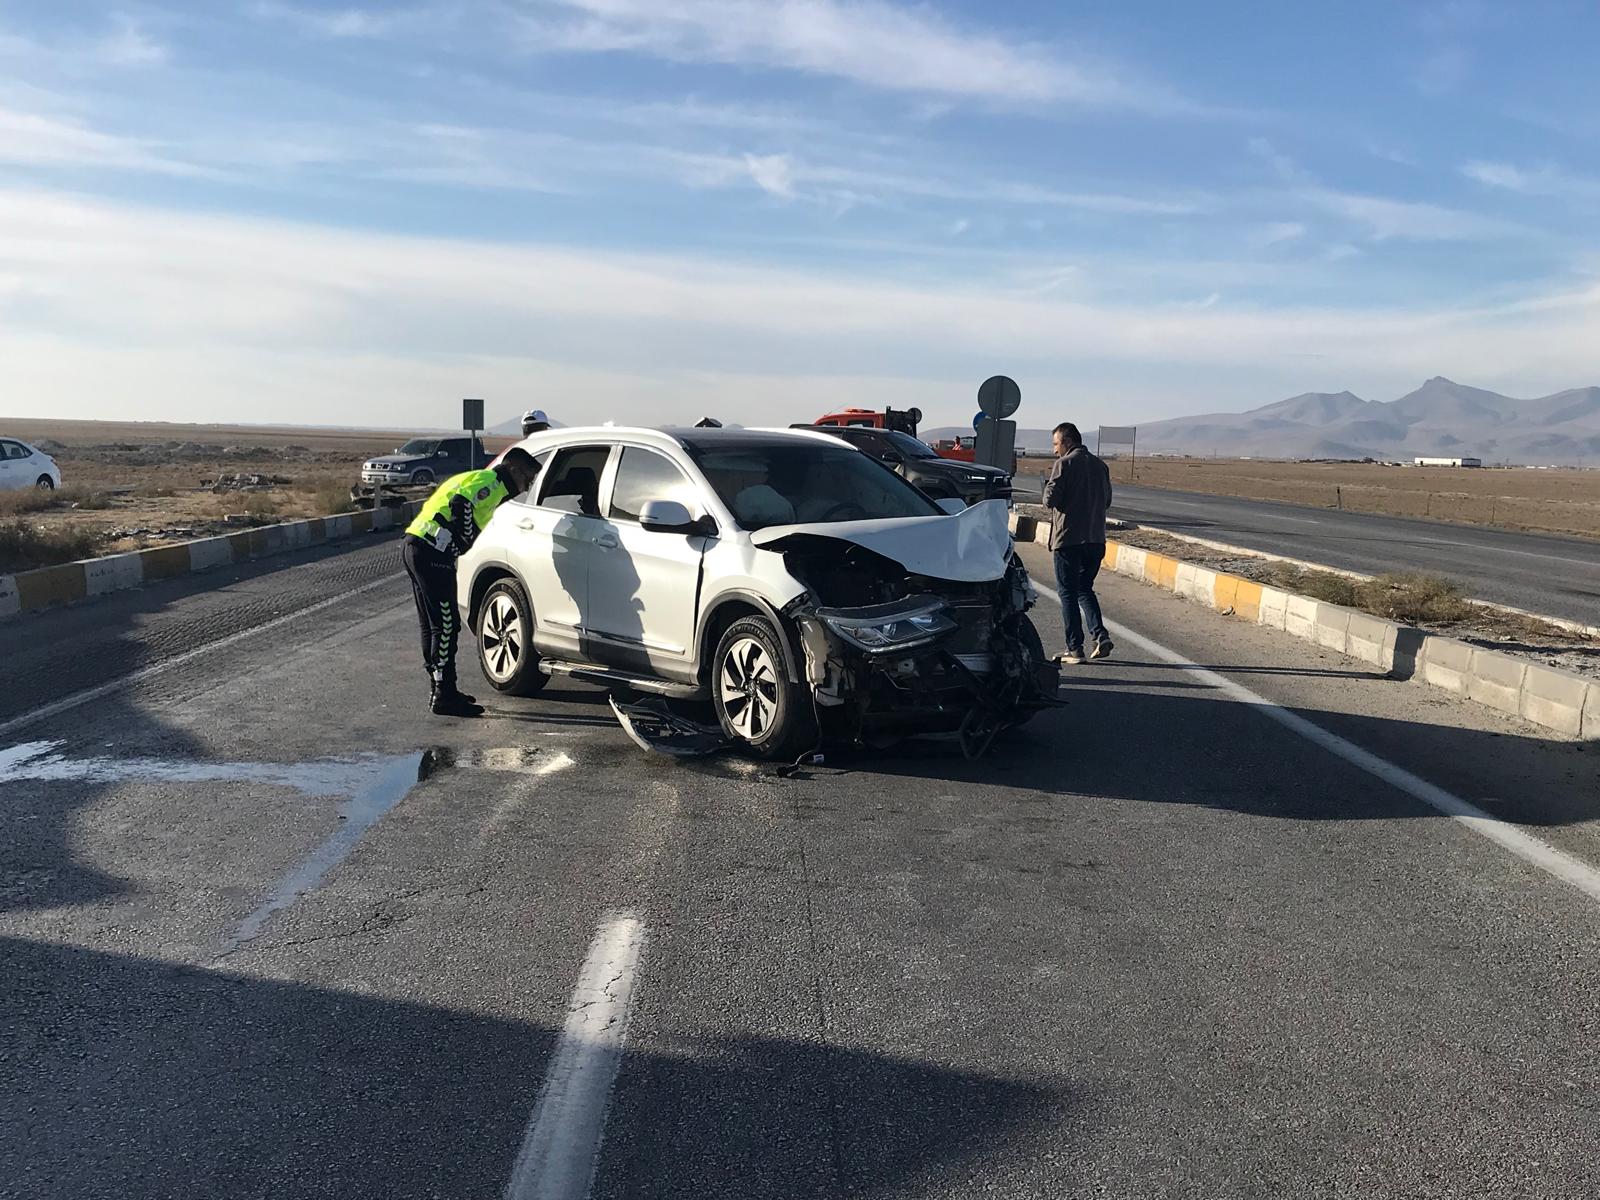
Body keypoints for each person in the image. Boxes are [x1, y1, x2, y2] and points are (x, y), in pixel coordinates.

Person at [403, 449, 539, 716]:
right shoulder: (491, 483)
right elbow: (461, 504)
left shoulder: (474, 477)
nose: (527, 486)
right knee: (447, 625)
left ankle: (442, 688)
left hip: (415, 545)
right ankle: (444, 695)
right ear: (513, 470)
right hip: (432, 552)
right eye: (528, 478)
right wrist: (462, 541)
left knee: (432, 626)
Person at [1042, 422, 1114, 665]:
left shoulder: (1064, 464)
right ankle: (1100, 635)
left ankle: (1074, 648)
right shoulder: (1101, 466)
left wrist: (1049, 488)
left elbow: (1050, 500)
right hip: (1096, 540)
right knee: (1084, 588)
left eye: (1056, 444)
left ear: (1068, 442)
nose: (1054, 450)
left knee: (1068, 594)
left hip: (1069, 540)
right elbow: (1107, 502)